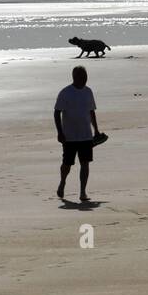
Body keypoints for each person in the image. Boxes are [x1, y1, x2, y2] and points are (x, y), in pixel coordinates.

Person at [54, 65, 99, 202]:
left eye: (85, 77)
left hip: (86, 135)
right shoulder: (65, 92)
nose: (84, 79)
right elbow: (57, 112)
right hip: (69, 136)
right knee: (67, 164)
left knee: (85, 163)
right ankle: (62, 182)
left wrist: (96, 130)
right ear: (75, 77)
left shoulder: (88, 92)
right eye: (81, 77)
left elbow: (92, 111)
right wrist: (60, 132)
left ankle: (83, 192)